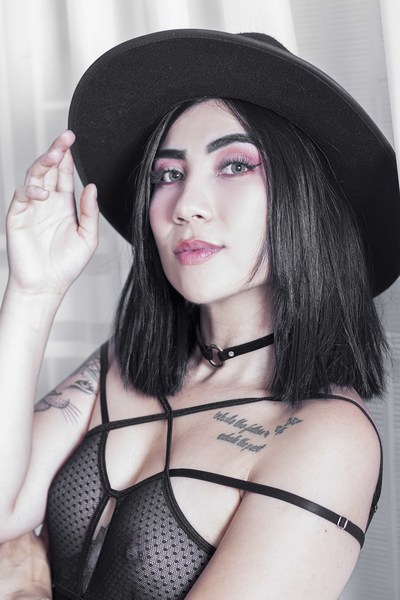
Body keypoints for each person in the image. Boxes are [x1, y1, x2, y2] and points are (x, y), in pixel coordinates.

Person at [0, 29, 399, 600]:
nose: (186, 205)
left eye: (234, 166)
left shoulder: (328, 436)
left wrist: (25, 589)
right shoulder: (120, 365)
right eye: (168, 174)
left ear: (303, 197)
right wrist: (33, 290)